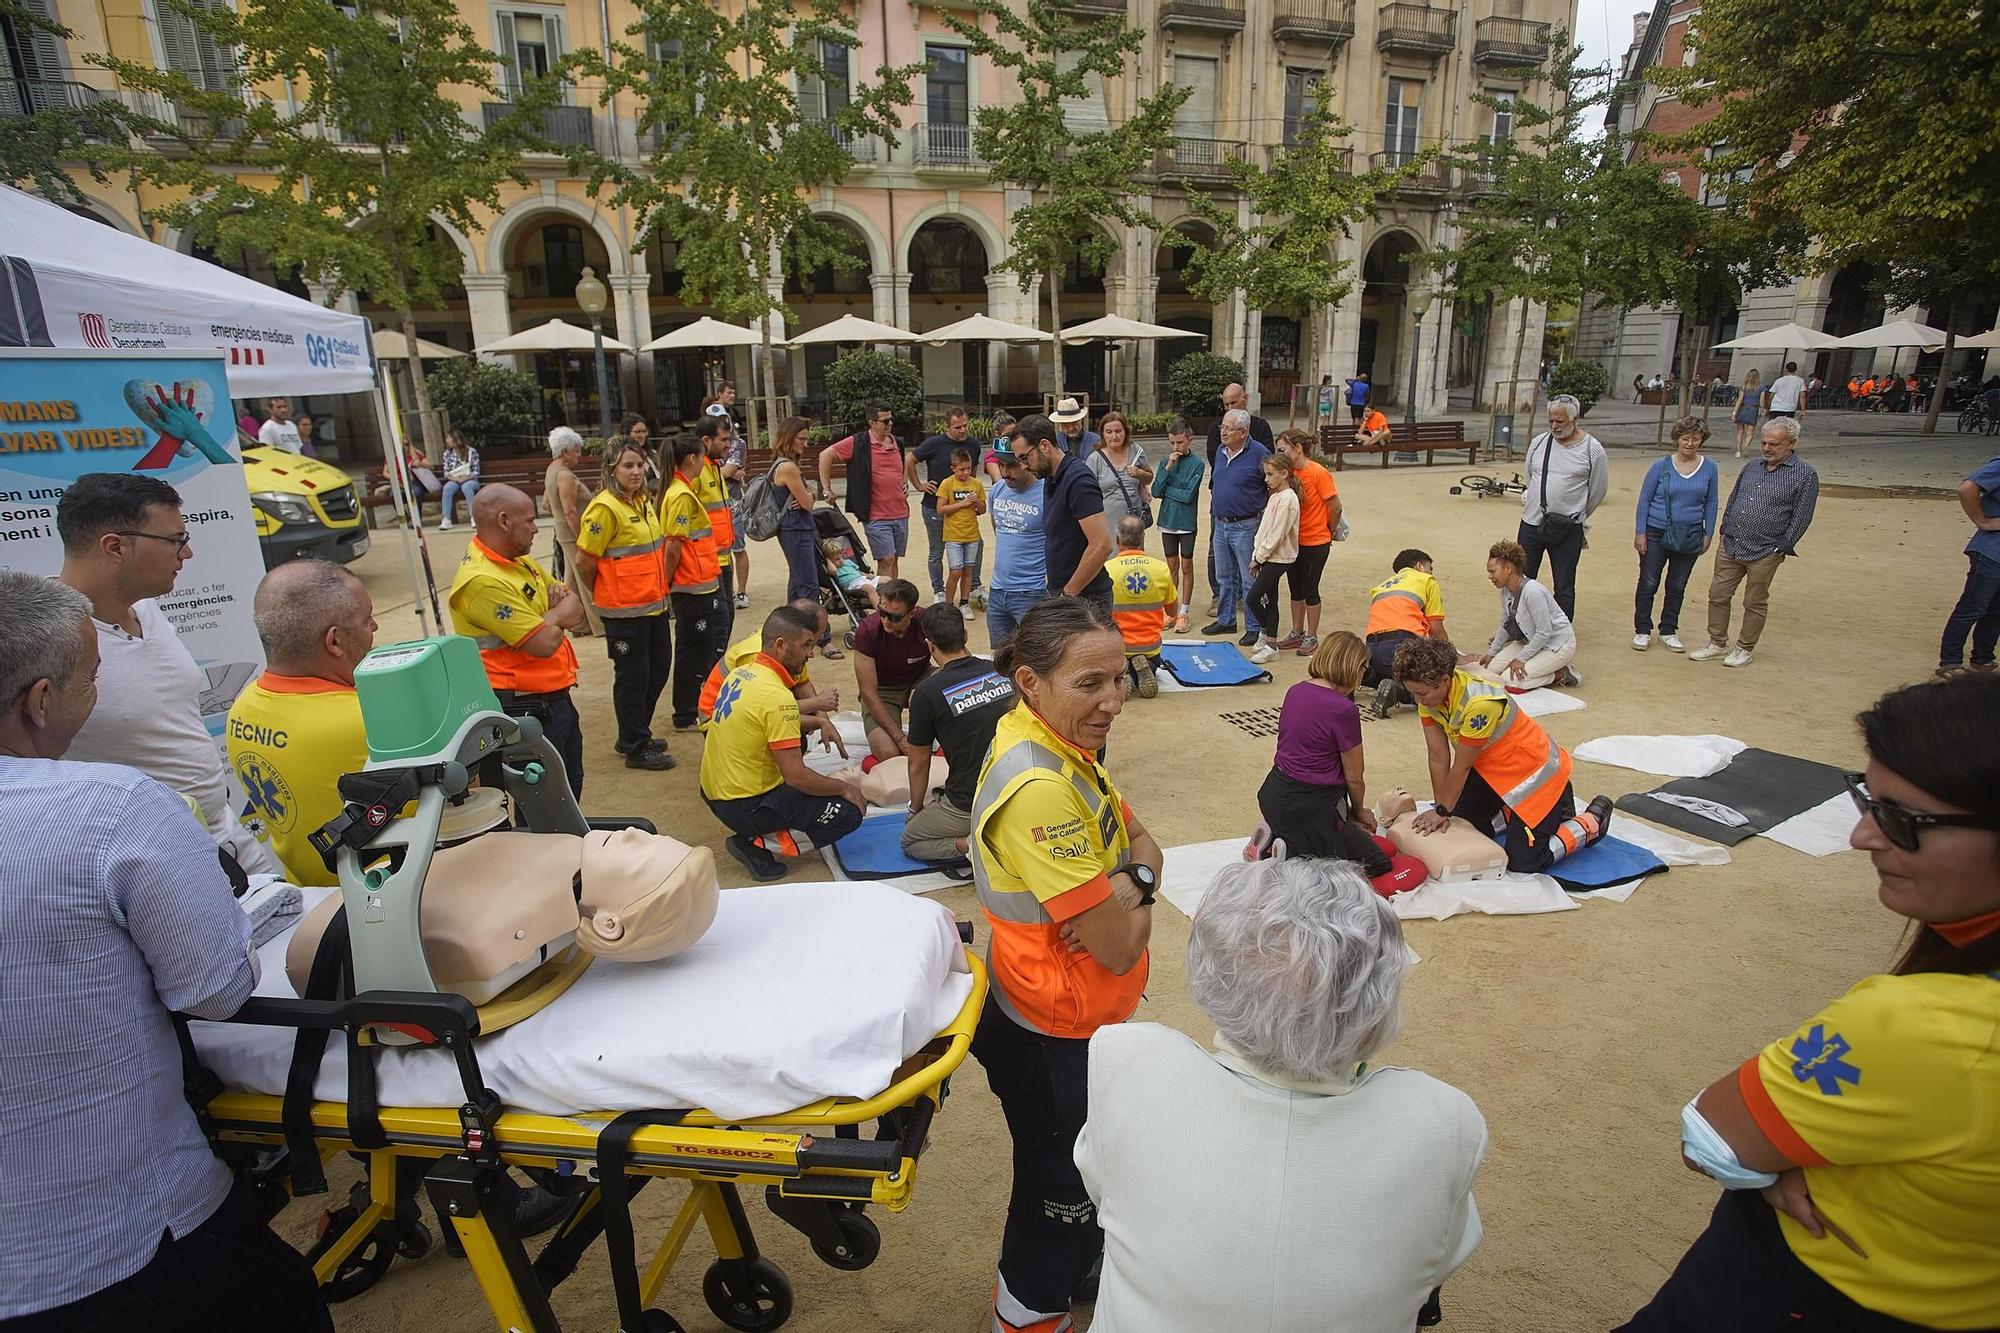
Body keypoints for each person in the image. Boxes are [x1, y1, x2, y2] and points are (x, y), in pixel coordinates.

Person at [0, 573, 332, 1332]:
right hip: (123, 1246)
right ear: (40, 700)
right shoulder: (108, 809)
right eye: (93, 677)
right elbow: (213, 990)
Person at [1617, 675, 2000, 1333]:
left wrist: (1766, 1174)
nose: (1863, 838)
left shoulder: (1922, 1027)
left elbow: (1709, 1131)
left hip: (1805, 1290)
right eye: (1868, 800)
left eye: (1904, 819)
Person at [1078, 857, 1485, 1333]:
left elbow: (1102, 1186)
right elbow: (1442, 1256)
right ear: (1379, 996)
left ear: (1213, 973)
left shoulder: (1128, 1061)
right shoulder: (1443, 1120)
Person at [967, 596, 1161, 1333]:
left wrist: (1132, 884)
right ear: (1029, 679)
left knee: (1076, 1171)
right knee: (1057, 1190)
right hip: (1056, 1029)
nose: (1114, 699)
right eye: (1090, 683)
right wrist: (1132, 896)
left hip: (1067, 1016)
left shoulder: (1056, 742)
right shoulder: (1043, 783)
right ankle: (1025, 1314)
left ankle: (1073, 1261)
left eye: (1119, 679)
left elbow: (1146, 843)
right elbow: (1115, 945)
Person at [57, 473, 283, 878]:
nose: (188, 552)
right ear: (115, 547)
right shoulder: (44, 642)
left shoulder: (145, 608)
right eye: (175, 539)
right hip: (152, 862)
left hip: (223, 835)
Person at [1392, 636, 1612, 874]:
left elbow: (1462, 766)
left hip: (1536, 776)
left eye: (1421, 693)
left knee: (1524, 861)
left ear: (1444, 680)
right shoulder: (1430, 699)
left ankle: (1590, 823)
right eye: (1413, 693)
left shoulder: (1480, 703)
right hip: (1492, 773)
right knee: (1458, 821)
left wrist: (1442, 811)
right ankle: (1510, 812)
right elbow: (1438, 757)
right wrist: (1442, 809)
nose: (1418, 701)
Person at [227, 561, 377, 884]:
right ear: (334, 642)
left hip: (309, 899)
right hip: (378, 903)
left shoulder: (241, 708)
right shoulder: (367, 721)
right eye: (367, 619)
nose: (375, 627)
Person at [699, 605, 866, 882]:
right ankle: (755, 844)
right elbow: (797, 776)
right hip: (744, 804)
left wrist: (819, 722)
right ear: (780, 645)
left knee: (815, 782)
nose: (811, 653)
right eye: (807, 646)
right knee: (848, 813)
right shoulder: (777, 697)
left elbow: (763, 720)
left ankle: (761, 829)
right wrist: (845, 788)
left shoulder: (744, 671)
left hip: (716, 792)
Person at [449, 484, 587, 799]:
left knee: (567, 787)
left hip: (552, 698)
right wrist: (554, 615)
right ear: (503, 521)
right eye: (529, 520)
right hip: (524, 709)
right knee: (543, 801)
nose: (537, 528)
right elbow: (543, 644)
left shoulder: (516, 560)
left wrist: (550, 617)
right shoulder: (483, 581)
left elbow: (575, 606)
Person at [576, 438, 675, 770]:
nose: (636, 471)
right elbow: (584, 561)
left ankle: (636, 731)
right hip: (624, 611)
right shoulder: (604, 508)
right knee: (633, 678)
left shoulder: (642, 500)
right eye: (627, 466)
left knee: (657, 669)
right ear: (611, 469)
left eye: (639, 464)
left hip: (654, 605)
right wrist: (602, 592)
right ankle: (635, 745)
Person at [1252, 630, 1388, 872]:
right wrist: (1359, 813)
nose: (1362, 677)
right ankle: (1289, 856)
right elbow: (1355, 776)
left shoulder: (1296, 690)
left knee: (1327, 838)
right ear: (1353, 667)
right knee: (1375, 863)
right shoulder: (1343, 709)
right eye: (1363, 669)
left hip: (1274, 792)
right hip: (1310, 805)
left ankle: (1281, 841)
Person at [1690, 416, 1820, 669]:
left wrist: (1783, 545)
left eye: (1775, 444)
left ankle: (1744, 647)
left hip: (1766, 550)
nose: (1767, 449)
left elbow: (1802, 516)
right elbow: (1735, 496)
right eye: (1764, 443)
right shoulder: (1751, 466)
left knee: (1754, 600)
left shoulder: (1805, 475)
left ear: (1791, 443)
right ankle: (1717, 641)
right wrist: (1726, 527)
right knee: (1718, 593)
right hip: (1732, 543)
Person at [901, 603, 1017, 866]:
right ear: (964, 636)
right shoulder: (999, 670)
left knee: (911, 840)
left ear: (929, 646)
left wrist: (915, 808)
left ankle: (975, 845)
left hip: (971, 802)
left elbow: (918, 762)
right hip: (1018, 788)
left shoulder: (926, 693)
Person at [1517, 394, 1609, 622]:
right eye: (1551, 421)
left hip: (1568, 528)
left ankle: (1562, 634)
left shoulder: (1592, 449)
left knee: (1564, 585)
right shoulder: (1539, 443)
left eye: (1560, 422)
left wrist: (1576, 512)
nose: (1554, 426)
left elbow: (1597, 490)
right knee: (1522, 580)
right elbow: (1530, 476)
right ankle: (1518, 626)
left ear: (1574, 419)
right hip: (1532, 524)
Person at [1634, 416, 1721, 653]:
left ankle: (1668, 629)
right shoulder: (1660, 466)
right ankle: (1642, 629)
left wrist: (1708, 532)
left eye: (1695, 439)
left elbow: (1712, 501)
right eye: (1685, 438)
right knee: (1649, 581)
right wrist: (1640, 532)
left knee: (1677, 584)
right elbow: (1645, 500)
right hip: (1656, 529)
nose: (1690, 443)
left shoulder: (1710, 467)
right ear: (1677, 440)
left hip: (1690, 532)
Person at [1012, 413, 1112, 608]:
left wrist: (1068, 594)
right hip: (1064, 594)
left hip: (1085, 602)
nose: (1023, 466)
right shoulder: (1051, 476)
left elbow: (1102, 545)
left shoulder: (1077, 480)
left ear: (1044, 446)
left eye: (1024, 457)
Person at [700, 597, 840, 733]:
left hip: (743, 710)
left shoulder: (786, 640)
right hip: (717, 719)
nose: (821, 637)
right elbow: (770, 709)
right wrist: (818, 708)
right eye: (820, 632)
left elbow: (801, 683)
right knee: (788, 729)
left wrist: (821, 714)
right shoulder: (758, 654)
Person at [661, 432, 724, 730]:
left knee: (697, 647)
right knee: (692, 651)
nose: (704, 463)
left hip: (698, 582)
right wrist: (667, 582)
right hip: (690, 585)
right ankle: (685, 712)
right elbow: (673, 546)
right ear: (691, 459)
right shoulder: (681, 495)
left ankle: (689, 708)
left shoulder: (680, 490)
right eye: (701, 457)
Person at [1472, 538, 1579, 690]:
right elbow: (1505, 622)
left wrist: (1521, 659)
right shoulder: (1504, 590)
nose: (1490, 576)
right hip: (1531, 640)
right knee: (1490, 671)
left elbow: (1544, 632)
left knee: (1510, 681)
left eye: (1492, 571)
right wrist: (1492, 653)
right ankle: (1541, 667)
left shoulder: (1532, 592)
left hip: (1557, 646)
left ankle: (1561, 674)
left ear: (1508, 569)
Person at [818, 402, 909, 580]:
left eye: (891, 420)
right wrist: (826, 488)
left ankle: (894, 597)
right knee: (886, 559)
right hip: (875, 514)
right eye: (885, 421)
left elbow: (903, 465)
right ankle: (884, 601)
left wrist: (904, 483)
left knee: (894, 559)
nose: (890, 423)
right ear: (872, 422)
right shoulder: (859, 442)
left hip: (900, 511)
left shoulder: (897, 442)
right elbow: (825, 455)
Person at [1204, 383, 1273, 612]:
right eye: (1223, 427)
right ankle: (1226, 619)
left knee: (1248, 576)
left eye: (1228, 429)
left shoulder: (1260, 450)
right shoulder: (1220, 451)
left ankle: (1254, 626)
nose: (1222, 432)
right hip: (1220, 520)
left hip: (1245, 523)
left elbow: (1272, 478)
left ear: (1243, 432)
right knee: (1223, 575)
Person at [1273, 427, 1341, 655]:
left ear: (1298, 448)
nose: (1280, 454)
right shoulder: (1289, 474)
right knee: (1295, 589)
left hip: (1315, 541)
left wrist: (1328, 529)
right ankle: (1297, 632)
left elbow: (1335, 506)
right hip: (1295, 541)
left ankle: (1312, 635)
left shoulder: (1318, 472)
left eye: (1283, 450)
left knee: (1310, 588)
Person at [908, 407, 983, 604]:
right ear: (948, 426)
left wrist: (971, 491)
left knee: (976, 545)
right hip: (935, 507)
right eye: (957, 427)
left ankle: (974, 587)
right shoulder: (934, 443)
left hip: (965, 509)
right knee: (936, 551)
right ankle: (938, 589)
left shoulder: (973, 445)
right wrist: (918, 485)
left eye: (965, 425)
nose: (963, 430)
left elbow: (973, 470)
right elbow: (910, 459)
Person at [1363, 549, 1450, 717]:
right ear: (1419, 565)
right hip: (1401, 646)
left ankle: (1364, 677)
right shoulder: (1426, 580)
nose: (1431, 572)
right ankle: (1399, 691)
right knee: (1429, 689)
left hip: (1372, 650)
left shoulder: (1382, 586)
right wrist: (1450, 658)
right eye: (1430, 567)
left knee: (1385, 673)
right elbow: (1436, 629)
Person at [852, 578, 931, 762]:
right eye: (882, 612)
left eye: (894, 617)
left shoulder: (926, 621)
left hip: (920, 679)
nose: (886, 620)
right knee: (888, 753)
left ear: (912, 613)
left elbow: (952, 658)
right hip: (883, 690)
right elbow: (868, 692)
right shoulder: (867, 632)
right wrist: (900, 738)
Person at [1938, 452, 2000, 678]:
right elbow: (1967, 488)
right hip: (1992, 552)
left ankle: (1983, 658)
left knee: (1996, 610)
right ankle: (1950, 660)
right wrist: (1982, 520)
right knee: (1973, 606)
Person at [985, 438, 1048, 647]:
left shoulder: (1047, 493)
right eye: (1000, 465)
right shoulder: (997, 491)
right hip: (997, 590)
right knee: (1001, 658)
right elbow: (999, 530)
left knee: (1035, 655)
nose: (1004, 473)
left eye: (1011, 465)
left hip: (1032, 591)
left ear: (1027, 461)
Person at [1106, 515, 1175, 698]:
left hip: (1119, 645)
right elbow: (1172, 611)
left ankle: (1124, 672)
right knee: (1151, 659)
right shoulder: (1161, 568)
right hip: (1150, 645)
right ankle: (1148, 668)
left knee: (1111, 665)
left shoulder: (1108, 569)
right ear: (1142, 539)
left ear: (1118, 540)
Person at [544, 426, 604, 636]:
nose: (579, 454)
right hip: (572, 533)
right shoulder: (564, 475)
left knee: (571, 581)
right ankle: (598, 624)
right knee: (584, 577)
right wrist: (582, 539)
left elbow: (546, 504)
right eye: (576, 450)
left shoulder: (552, 470)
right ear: (566, 451)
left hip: (563, 531)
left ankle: (577, 624)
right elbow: (570, 511)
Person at [1246, 450, 1301, 666]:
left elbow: (1278, 533)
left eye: (1270, 475)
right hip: (1268, 555)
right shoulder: (1276, 496)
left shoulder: (1288, 499)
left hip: (1279, 558)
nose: (1266, 480)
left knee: (1253, 597)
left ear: (1284, 473)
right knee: (1270, 599)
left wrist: (1259, 558)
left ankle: (1269, 639)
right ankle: (1269, 640)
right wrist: (1256, 553)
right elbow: (1264, 529)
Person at [763, 415, 823, 604]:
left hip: (793, 529)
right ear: (788, 437)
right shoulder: (788, 467)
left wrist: (808, 495)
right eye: (801, 439)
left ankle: (793, 624)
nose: (805, 444)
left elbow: (808, 497)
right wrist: (808, 496)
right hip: (796, 528)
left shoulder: (784, 464)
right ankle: (815, 630)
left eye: (806, 439)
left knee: (798, 582)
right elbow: (807, 503)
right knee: (808, 584)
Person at [1153, 418, 1205, 635]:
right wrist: (1167, 469)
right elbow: (1156, 491)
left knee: (1186, 567)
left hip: (1186, 523)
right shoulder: (1167, 461)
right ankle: (1171, 611)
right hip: (1167, 522)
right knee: (1171, 566)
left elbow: (1187, 496)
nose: (1176, 448)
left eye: (1180, 443)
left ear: (1189, 440)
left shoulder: (1198, 464)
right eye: (1172, 443)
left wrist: (1168, 489)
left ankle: (1184, 611)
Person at [695, 412, 738, 646]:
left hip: (722, 557)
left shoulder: (713, 468)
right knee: (718, 620)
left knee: (726, 616)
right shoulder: (697, 470)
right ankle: (710, 673)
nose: (728, 444)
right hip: (708, 561)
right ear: (706, 441)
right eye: (723, 440)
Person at [938, 448, 988, 616]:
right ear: (953, 468)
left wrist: (976, 503)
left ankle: (964, 603)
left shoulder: (976, 484)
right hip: (953, 535)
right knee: (955, 571)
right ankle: (948, 605)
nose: (966, 472)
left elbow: (982, 510)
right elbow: (941, 509)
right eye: (962, 469)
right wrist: (964, 502)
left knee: (968, 570)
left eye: (968, 468)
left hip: (971, 534)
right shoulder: (947, 483)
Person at [1086, 411, 1153, 535]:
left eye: (1118, 431)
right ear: (1102, 434)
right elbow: (1086, 493)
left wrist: (1140, 473)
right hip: (1107, 521)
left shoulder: (1136, 450)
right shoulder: (1094, 459)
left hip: (1133, 519)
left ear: (1125, 432)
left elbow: (1149, 478)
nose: (1114, 436)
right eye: (1109, 432)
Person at [717, 406, 751, 610]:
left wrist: (727, 472)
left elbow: (728, 470)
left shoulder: (738, 444)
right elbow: (725, 472)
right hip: (714, 507)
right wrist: (727, 472)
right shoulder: (703, 446)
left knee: (738, 548)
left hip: (734, 504)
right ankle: (724, 592)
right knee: (718, 551)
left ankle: (741, 591)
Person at [437, 428, 482, 530]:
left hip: (470, 479)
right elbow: (446, 472)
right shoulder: (447, 454)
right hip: (455, 480)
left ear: (456, 439)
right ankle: (446, 519)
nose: (447, 440)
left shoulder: (471, 452)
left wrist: (466, 477)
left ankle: (473, 516)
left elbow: (476, 471)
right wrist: (456, 479)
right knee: (447, 488)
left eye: (449, 438)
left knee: (467, 487)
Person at [824, 537, 880, 612]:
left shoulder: (847, 562)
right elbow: (832, 570)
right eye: (837, 559)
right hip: (852, 584)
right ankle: (881, 612)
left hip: (862, 579)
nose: (841, 560)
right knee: (869, 588)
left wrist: (870, 575)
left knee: (887, 579)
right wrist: (826, 558)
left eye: (842, 557)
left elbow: (859, 572)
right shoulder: (835, 569)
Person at [1732, 367, 1764, 457]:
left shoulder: (1744, 386)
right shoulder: (1761, 387)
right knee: (1750, 431)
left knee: (1739, 431)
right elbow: (1761, 400)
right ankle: (1746, 444)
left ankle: (1738, 451)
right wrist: (1762, 409)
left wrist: (1734, 413)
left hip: (1743, 408)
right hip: (1753, 409)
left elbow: (1740, 399)